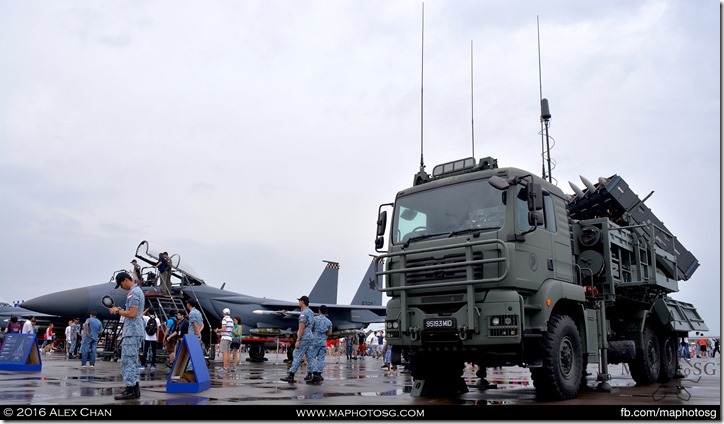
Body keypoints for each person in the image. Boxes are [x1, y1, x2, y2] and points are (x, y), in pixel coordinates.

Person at [107, 271, 145, 400]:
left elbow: (133, 313)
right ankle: (134, 388)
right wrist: (121, 310)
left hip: (132, 331)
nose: (122, 287)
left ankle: (131, 389)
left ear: (125, 280)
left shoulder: (133, 293)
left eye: (120, 284)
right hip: (134, 331)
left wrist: (118, 311)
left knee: (128, 361)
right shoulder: (137, 291)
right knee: (132, 361)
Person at [280, 296, 315, 383]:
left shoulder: (303, 313)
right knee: (310, 357)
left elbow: (302, 326)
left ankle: (291, 375)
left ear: (302, 302)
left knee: (297, 355)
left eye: (299, 301)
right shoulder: (311, 312)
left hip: (304, 336)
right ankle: (313, 375)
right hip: (310, 335)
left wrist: (298, 340)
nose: (298, 302)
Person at [307, 305, 333, 384]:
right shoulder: (329, 321)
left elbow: (310, 329)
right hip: (323, 341)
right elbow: (330, 333)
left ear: (319, 310)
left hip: (315, 341)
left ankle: (311, 373)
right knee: (321, 359)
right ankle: (319, 374)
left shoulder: (315, 319)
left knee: (311, 357)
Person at [215, 308, 234, 372]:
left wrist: (218, 330)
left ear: (224, 313)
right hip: (230, 337)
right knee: (228, 353)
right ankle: (228, 367)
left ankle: (225, 368)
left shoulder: (224, 319)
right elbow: (231, 330)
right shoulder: (231, 320)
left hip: (225, 338)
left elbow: (223, 329)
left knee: (224, 353)